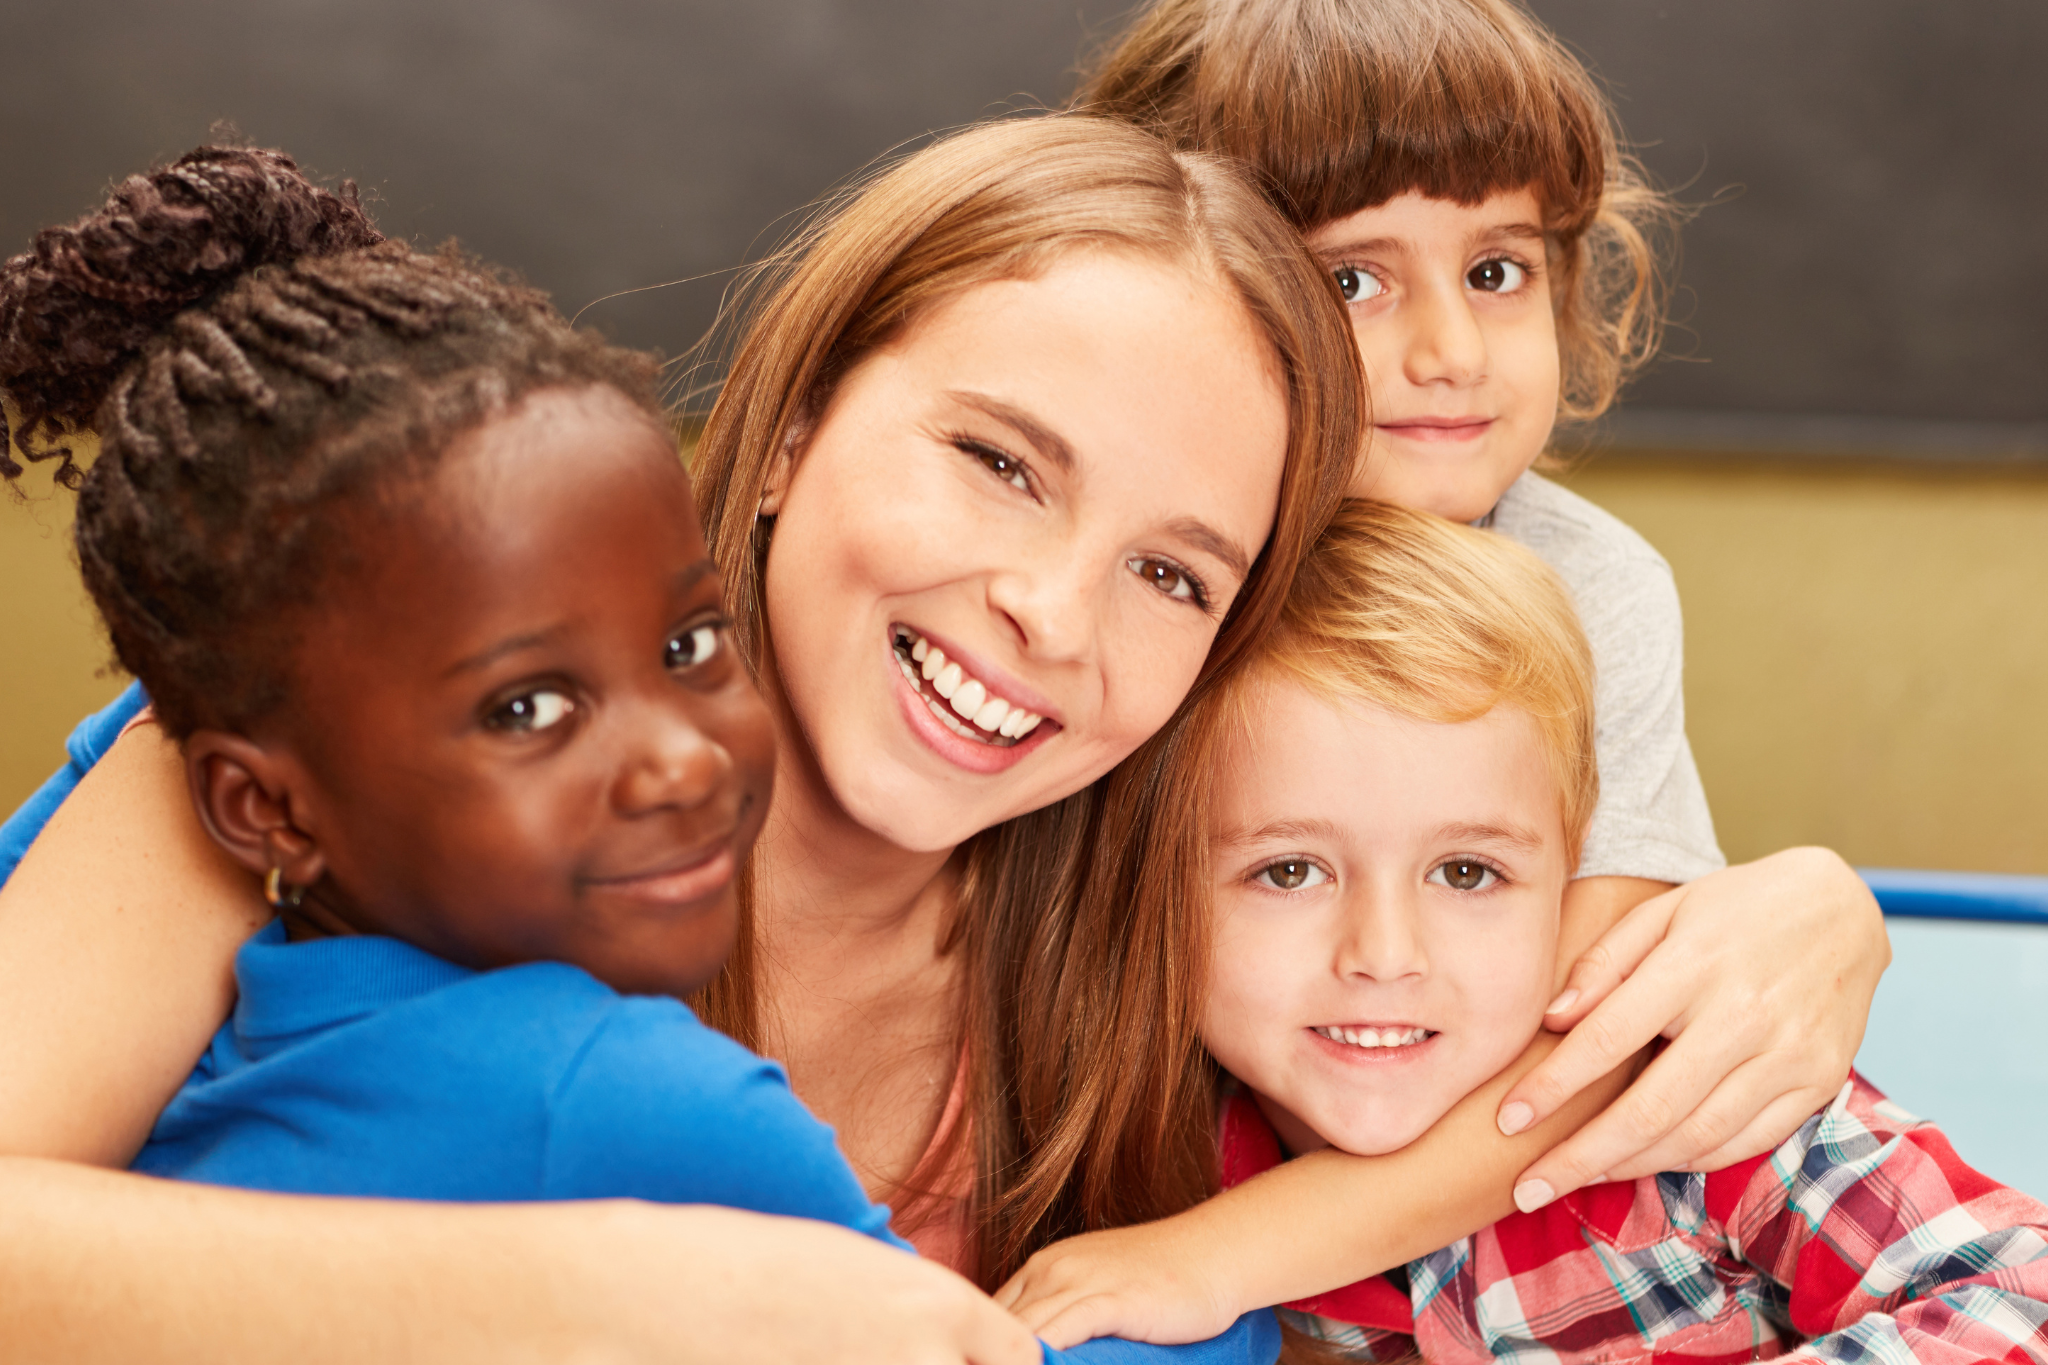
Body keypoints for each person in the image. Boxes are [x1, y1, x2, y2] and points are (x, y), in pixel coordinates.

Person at [0, 114, 1873, 1364]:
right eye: (995, 463)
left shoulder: (1182, 968)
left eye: (1172, 571)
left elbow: (1500, 915)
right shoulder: (325, 760)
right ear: (800, 416)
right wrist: (607, 1295)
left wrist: (1798, 902)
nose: (1050, 616)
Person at [1038, 501, 2048, 1361]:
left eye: (1467, 872)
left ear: (1574, 883)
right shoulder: (1134, 1172)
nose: (1385, 955)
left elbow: (2019, 1294)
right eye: (1287, 871)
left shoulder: (1697, 1110)